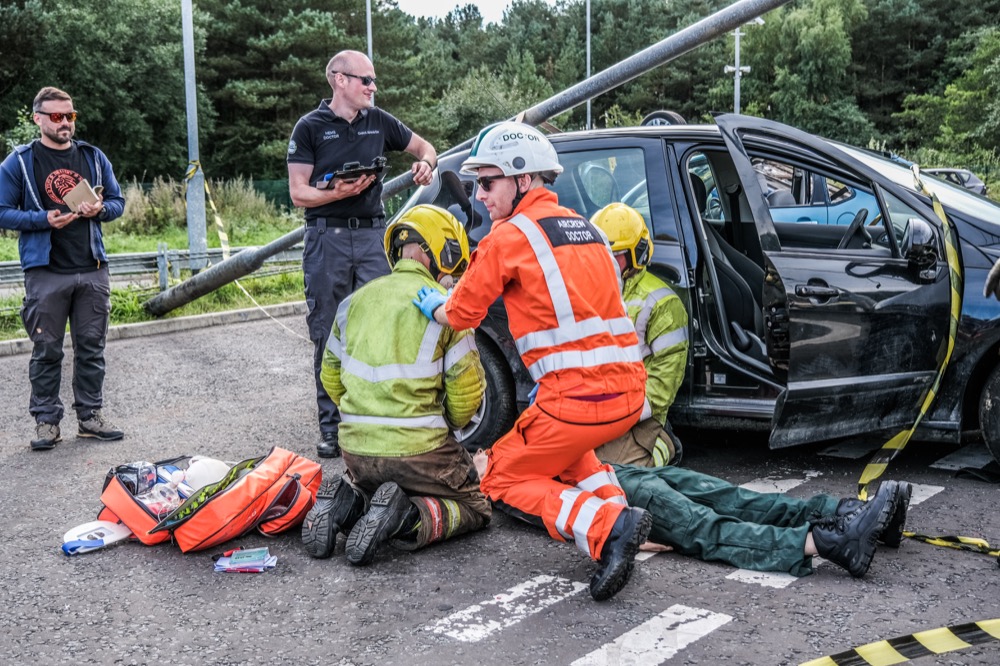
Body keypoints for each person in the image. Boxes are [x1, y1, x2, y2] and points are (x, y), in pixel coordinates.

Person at [413, 122, 652, 602]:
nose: (480, 195)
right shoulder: (588, 230)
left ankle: (609, 527)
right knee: (567, 454)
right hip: (627, 395)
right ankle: (620, 518)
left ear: (523, 179)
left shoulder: (509, 238)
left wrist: (435, 304)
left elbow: (464, 312)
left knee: (502, 476)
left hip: (575, 400)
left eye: (487, 182)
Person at [301, 204, 490, 566]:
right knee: (474, 506)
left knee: (377, 488)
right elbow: (466, 400)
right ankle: (407, 518)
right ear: (443, 251)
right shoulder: (445, 309)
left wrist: (369, 414)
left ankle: (346, 501)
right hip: (422, 453)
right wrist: (442, 424)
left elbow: (330, 379)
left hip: (358, 453)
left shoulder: (353, 303)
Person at [287, 49, 438, 460]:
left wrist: (426, 164)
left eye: (374, 81)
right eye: (365, 80)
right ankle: (332, 429)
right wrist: (334, 193)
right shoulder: (309, 127)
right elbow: (298, 191)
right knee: (327, 331)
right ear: (339, 79)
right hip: (327, 239)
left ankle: (376, 420)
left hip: (373, 237)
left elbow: (426, 148)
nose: (373, 87)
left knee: (382, 327)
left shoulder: (380, 120)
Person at [471, 451, 913, 578]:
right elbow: (563, 512)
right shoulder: (503, 487)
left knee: (736, 501)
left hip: (630, 476)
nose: (472, 454)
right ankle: (833, 541)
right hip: (629, 495)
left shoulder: (508, 454)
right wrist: (623, 533)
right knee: (714, 530)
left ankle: (850, 514)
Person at [0, 86, 126, 451]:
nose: (65, 123)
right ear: (38, 118)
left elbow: (118, 202)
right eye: (57, 117)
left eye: (70, 116)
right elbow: (2, 210)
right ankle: (46, 422)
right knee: (47, 349)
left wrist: (99, 210)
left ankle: (90, 417)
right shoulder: (20, 161)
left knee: (91, 346)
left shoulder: (93, 156)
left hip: (92, 267)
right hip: (46, 271)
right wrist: (43, 219)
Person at [590, 203, 688, 468]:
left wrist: (621, 415)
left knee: (614, 472)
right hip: (594, 407)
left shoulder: (662, 304)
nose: (606, 262)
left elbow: (662, 385)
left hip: (637, 412)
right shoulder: (586, 291)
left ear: (638, 254)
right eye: (600, 254)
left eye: (615, 255)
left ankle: (661, 442)